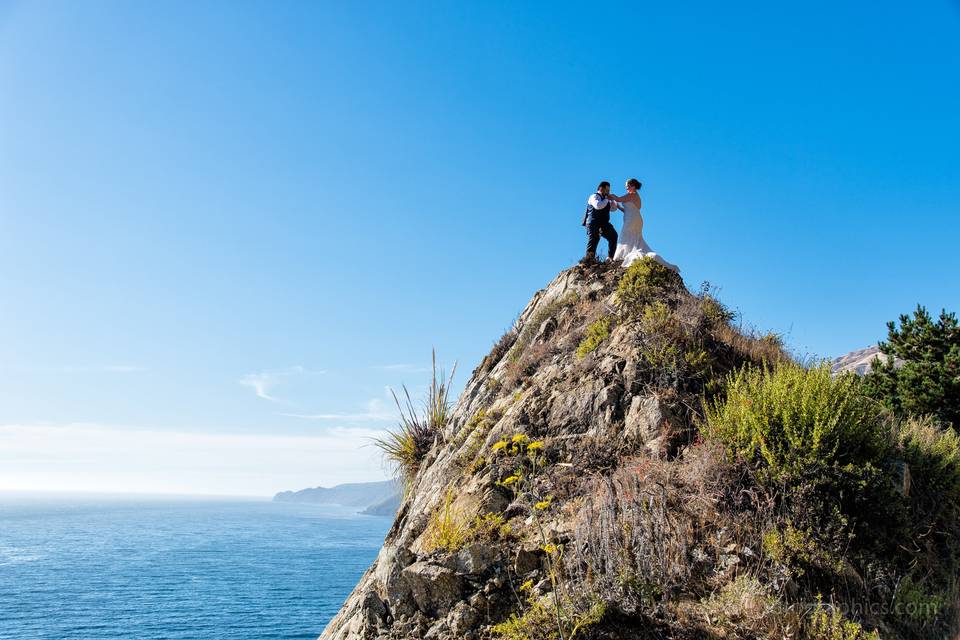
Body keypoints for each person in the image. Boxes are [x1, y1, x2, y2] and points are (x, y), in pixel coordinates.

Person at [609, 178, 679, 271]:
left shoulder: (632, 195)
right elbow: (627, 210)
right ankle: (625, 255)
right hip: (635, 219)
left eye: (628, 185)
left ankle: (621, 257)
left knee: (625, 235)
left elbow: (617, 198)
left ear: (633, 186)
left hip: (632, 219)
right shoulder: (636, 196)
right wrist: (618, 206)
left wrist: (608, 195)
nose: (626, 187)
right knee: (632, 237)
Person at [581, 181, 619, 263]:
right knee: (594, 239)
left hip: (603, 223)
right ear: (601, 188)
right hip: (593, 222)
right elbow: (598, 206)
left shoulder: (606, 199)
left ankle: (610, 258)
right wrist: (606, 199)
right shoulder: (594, 196)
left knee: (613, 236)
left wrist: (612, 200)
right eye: (607, 190)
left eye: (609, 190)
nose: (608, 192)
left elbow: (614, 209)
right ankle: (588, 261)